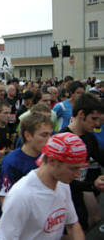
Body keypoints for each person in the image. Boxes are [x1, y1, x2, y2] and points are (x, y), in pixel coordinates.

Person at [0, 133, 92, 240]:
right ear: (51, 161)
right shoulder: (21, 195)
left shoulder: (62, 184)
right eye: (73, 168)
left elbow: (72, 224)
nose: (78, 174)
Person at [0, 113, 53, 225]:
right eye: (44, 135)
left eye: (50, 135)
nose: (49, 140)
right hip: (11, 222)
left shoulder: (47, 157)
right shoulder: (11, 162)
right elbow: (5, 200)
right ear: (28, 135)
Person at [59, 93, 104, 230]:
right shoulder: (62, 139)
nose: (97, 123)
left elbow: (101, 157)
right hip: (62, 199)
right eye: (93, 118)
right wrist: (92, 186)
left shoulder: (89, 138)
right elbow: (61, 179)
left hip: (78, 197)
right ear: (81, 114)